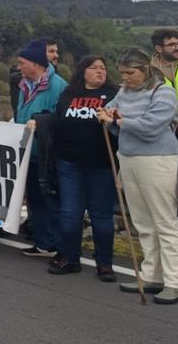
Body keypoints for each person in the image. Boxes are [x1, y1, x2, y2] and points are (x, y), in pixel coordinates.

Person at [96, 47, 178, 305]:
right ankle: (151, 275)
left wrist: (120, 121)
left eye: (130, 73)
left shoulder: (164, 92)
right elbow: (109, 111)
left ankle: (174, 282)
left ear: (145, 69)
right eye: (122, 73)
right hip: (129, 158)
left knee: (164, 222)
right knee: (143, 223)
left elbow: (151, 127)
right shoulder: (123, 92)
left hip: (158, 160)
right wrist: (106, 115)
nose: (126, 78)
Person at [47, 56, 120, 279]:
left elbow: (121, 123)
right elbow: (57, 120)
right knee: (70, 212)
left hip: (101, 164)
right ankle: (70, 257)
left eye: (103, 68)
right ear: (83, 71)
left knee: (101, 214)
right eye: (94, 68)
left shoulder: (114, 95)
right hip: (69, 163)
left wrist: (112, 119)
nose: (100, 71)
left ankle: (104, 263)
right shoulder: (69, 94)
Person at [14, 40, 69, 259]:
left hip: (47, 152)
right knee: (35, 199)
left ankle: (57, 243)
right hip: (29, 152)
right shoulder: (24, 85)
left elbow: (60, 118)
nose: (18, 67)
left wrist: (40, 124)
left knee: (50, 199)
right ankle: (43, 241)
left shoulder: (58, 86)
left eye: (21, 63)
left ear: (35, 64)